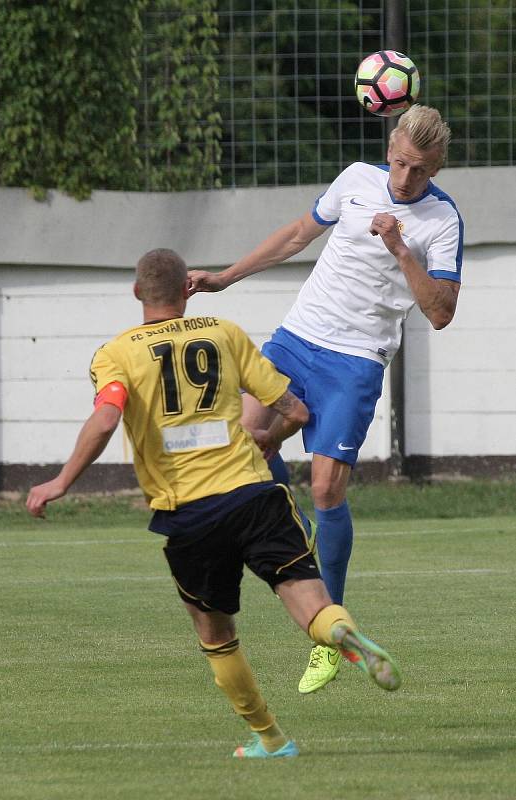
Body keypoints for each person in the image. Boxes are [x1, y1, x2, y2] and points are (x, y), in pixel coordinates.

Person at [26, 248, 401, 760]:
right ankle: (341, 631)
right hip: (254, 493)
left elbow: (108, 418)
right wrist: (272, 436)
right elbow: (294, 407)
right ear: (188, 290)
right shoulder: (224, 333)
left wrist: (62, 480)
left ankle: (270, 738)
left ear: (137, 293)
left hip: (190, 513)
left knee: (217, 634)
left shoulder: (116, 354)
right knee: (307, 599)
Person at [188, 104, 463, 695]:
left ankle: (329, 634)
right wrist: (225, 278)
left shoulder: (441, 219)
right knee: (242, 440)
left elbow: (440, 312)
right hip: (298, 338)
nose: (404, 178)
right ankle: (283, 511)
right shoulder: (355, 179)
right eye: (399, 163)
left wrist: (400, 249)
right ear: (389, 149)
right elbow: (295, 235)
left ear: (438, 165)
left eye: (419, 170)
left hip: (357, 360)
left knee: (327, 489)